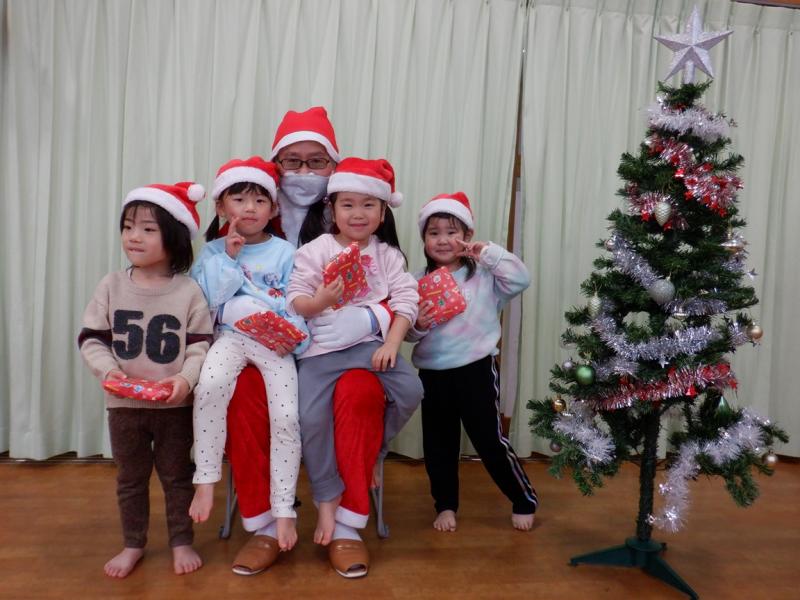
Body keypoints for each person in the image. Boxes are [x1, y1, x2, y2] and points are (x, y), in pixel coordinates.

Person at [224, 108, 394, 578]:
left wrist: (371, 317)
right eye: (292, 161)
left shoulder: (356, 211)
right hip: (264, 351)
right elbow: (214, 280)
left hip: (338, 353)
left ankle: (347, 522)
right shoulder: (251, 212)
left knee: (360, 393)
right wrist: (236, 312)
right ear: (275, 166)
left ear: (334, 167)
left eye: (316, 162)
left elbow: (396, 284)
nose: (304, 172)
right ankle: (262, 521)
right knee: (242, 395)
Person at [288, 157, 424, 577]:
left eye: (368, 205)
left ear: (383, 212)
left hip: (369, 348)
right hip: (321, 354)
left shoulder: (388, 255)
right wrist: (320, 302)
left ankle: (374, 451)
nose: (358, 214)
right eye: (348, 204)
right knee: (310, 418)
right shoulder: (315, 250)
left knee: (412, 390)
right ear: (332, 209)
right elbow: (296, 298)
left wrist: (391, 343)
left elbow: (407, 301)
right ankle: (327, 500)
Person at [78, 181, 213, 577]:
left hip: (174, 408)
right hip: (124, 407)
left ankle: (181, 540)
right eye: (128, 227)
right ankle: (133, 543)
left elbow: (201, 346)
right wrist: (110, 372)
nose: (133, 237)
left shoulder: (189, 291)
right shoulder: (111, 285)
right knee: (131, 479)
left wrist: (185, 380)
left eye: (147, 229)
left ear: (174, 237)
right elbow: (91, 339)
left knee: (177, 477)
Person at [188, 157, 308, 554]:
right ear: (222, 208)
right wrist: (228, 256)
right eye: (239, 199)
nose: (250, 208)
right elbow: (207, 303)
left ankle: (283, 507)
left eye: (259, 200)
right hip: (231, 338)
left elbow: (297, 301)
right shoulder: (211, 252)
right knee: (210, 387)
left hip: (273, 343)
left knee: (286, 417)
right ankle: (205, 479)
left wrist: (295, 338)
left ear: (274, 209)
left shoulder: (286, 252)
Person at [407, 192, 538, 533]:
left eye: (452, 232)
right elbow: (405, 332)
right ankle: (445, 505)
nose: (443, 240)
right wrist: (419, 324)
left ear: (466, 235)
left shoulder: (484, 276)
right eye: (434, 233)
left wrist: (488, 253)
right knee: (439, 445)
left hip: (476, 370)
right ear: (424, 239)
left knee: (489, 441)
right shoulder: (415, 281)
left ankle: (523, 499)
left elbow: (521, 279)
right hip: (433, 374)